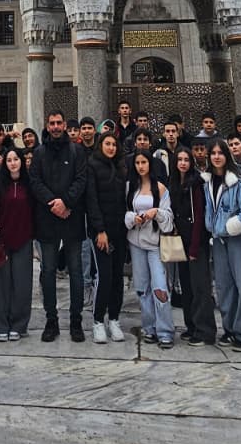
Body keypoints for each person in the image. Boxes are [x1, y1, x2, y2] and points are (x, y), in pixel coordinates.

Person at [29, 110, 90, 343]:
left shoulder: (77, 151)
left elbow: (81, 179)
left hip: (71, 216)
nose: (55, 127)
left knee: (75, 271)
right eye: (51, 123)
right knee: (48, 271)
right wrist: (52, 203)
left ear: (65, 125)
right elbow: (35, 181)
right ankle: (51, 320)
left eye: (58, 123)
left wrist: (66, 202)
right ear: (47, 125)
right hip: (47, 218)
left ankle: (76, 321)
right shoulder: (39, 152)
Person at [206, 138, 241, 351]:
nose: (217, 156)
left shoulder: (238, 182)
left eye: (220, 153)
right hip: (218, 241)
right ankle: (229, 328)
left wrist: (227, 228)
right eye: (213, 153)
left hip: (236, 239)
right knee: (224, 286)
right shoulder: (208, 182)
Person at [123, 149, 175, 348]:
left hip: (155, 244)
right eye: (137, 163)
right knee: (142, 288)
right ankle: (149, 328)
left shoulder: (160, 188)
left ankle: (165, 331)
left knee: (160, 287)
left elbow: (169, 219)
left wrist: (156, 213)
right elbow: (124, 211)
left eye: (144, 162)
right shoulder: (130, 187)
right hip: (136, 243)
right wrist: (131, 219)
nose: (141, 166)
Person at [165, 144, 215, 346]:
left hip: (196, 243)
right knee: (186, 286)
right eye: (180, 160)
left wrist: (195, 247)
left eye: (186, 160)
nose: (183, 164)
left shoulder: (196, 183)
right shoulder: (175, 184)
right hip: (180, 242)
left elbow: (199, 216)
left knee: (200, 287)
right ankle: (191, 325)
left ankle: (205, 331)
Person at [85, 131, 129, 343]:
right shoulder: (92, 166)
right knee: (103, 277)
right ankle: (97, 321)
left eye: (114, 144)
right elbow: (91, 200)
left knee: (117, 277)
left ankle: (114, 318)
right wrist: (100, 229)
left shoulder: (121, 167)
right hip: (101, 232)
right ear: (101, 145)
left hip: (120, 230)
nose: (111, 147)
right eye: (107, 143)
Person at [0, 146, 35, 341]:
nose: (13, 163)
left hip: (23, 239)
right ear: (5, 164)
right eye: (9, 160)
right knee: (1, 284)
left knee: (22, 284)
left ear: (22, 162)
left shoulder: (30, 185)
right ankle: (1, 324)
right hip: (3, 241)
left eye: (16, 159)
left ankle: (19, 324)